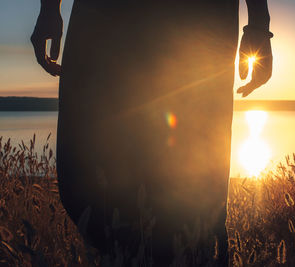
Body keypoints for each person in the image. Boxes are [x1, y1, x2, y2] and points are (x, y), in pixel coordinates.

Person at [31, 0, 272, 265]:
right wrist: (49, 8)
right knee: (86, 177)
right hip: (108, 15)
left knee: (195, 192)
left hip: (199, 19)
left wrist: (260, 24)